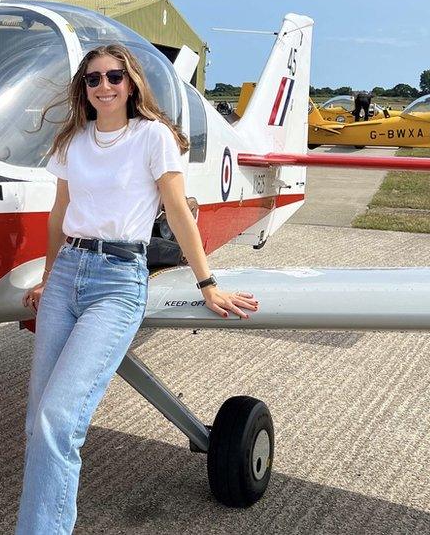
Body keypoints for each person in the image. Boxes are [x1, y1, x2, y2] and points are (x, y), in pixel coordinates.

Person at [16, 44, 259, 534]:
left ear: (130, 83)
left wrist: (207, 283)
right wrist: (47, 277)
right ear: (83, 89)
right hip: (68, 275)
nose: (104, 86)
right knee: (38, 421)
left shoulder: (153, 137)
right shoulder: (73, 141)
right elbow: (59, 217)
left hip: (118, 279)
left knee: (59, 420)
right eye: (93, 80)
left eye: (113, 77)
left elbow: (176, 213)